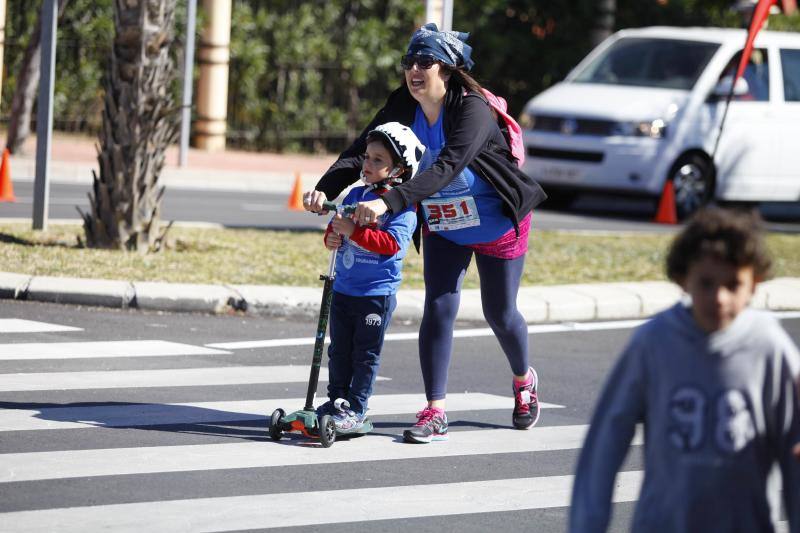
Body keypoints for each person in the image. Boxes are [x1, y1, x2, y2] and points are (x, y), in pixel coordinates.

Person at [304, 23, 547, 443]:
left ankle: (524, 381)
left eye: (425, 62)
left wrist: (389, 202)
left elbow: (447, 166)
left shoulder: (471, 109)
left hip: (495, 221)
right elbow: (363, 150)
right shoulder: (404, 103)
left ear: (447, 69)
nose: (414, 70)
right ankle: (435, 410)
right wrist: (325, 188)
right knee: (438, 306)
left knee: (500, 313)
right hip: (445, 221)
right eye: (409, 62)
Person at [569, 207, 800, 533]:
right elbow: (606, 438)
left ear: (754, 285)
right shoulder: (654, 343)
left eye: (733, 284)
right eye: (706, 283)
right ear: (683, 278)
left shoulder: (770, 347)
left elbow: (794, 452)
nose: (719, 298)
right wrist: (587, 523)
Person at [314, 122, 424, 435]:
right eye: (367, 157)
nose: (368, 164)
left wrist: (355, 232)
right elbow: (337, 226)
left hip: (376, 294)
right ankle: (336, 401)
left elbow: (391, 245)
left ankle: (356, 408)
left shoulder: (403, 207)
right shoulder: (355, 194)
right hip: (344, 288)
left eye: (378, 160)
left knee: (365, 355)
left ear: (398, 169)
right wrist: (332, 237)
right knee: (339, 350)